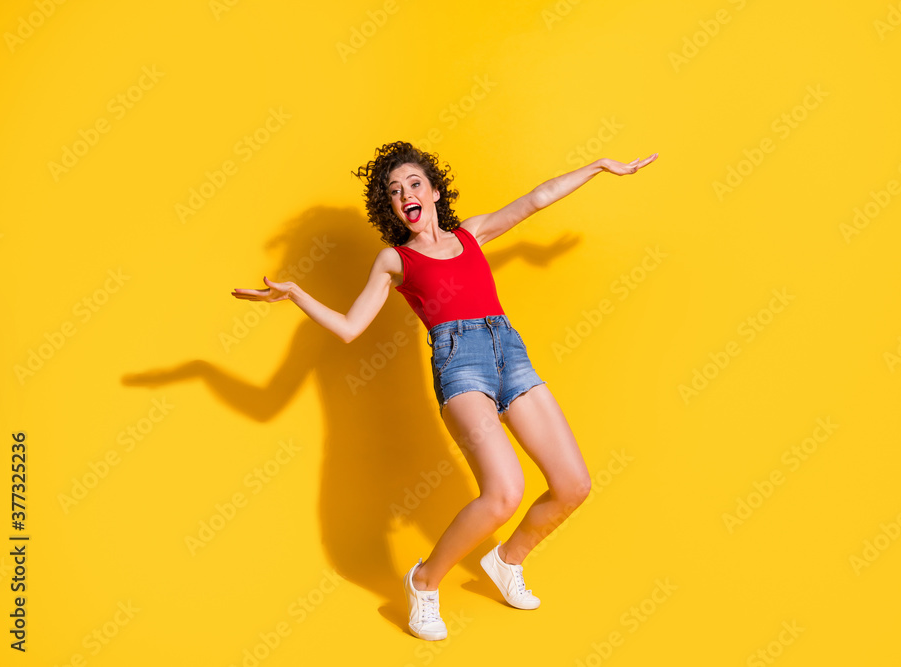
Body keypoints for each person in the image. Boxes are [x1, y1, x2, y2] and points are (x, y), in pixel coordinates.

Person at [232, 141, 657, 640]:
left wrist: (599, 167)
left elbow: (537, 199)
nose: (405, 194)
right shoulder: (396, 260)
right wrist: (297, 294)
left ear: (434, 191)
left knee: (573, 485)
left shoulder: (472, 234)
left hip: (509, 351)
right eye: (394, 191)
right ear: (389, 207)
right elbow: (350, 327)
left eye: (414, 183)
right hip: (461, 364)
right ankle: (425, 580)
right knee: (504, 492)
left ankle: (507, 560)